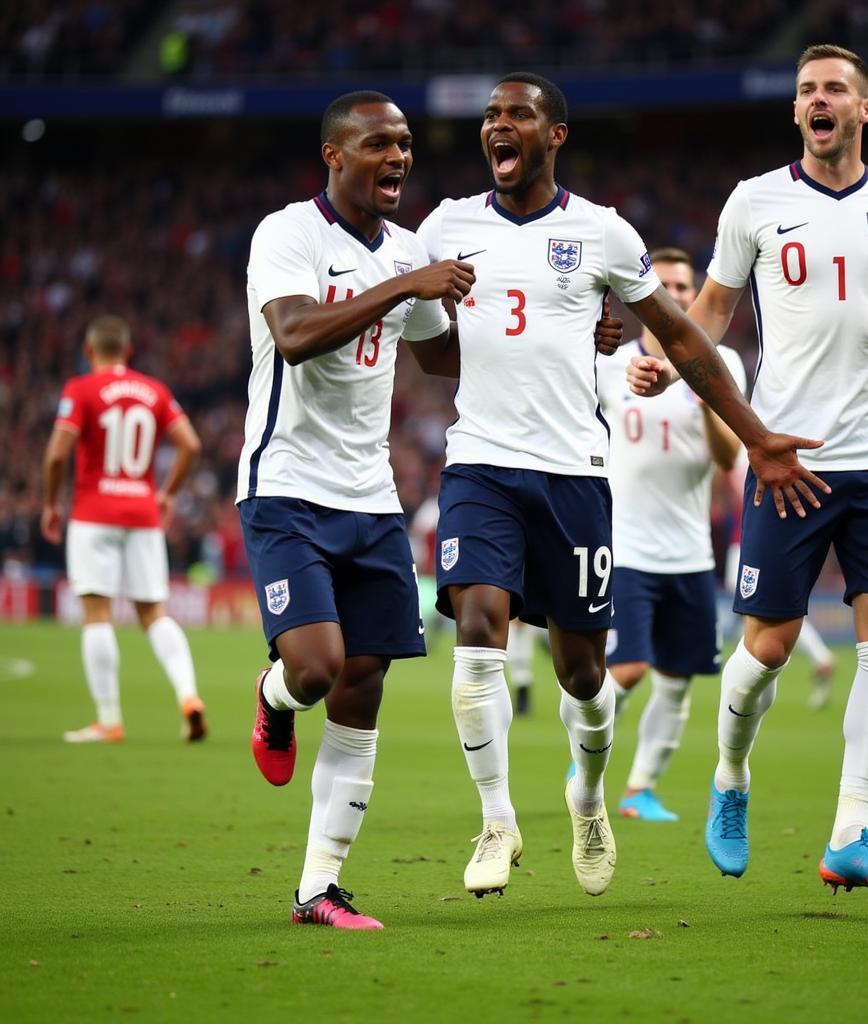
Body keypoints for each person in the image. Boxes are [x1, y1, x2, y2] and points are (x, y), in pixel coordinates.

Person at [414, 71, 827, 900]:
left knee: (582, 676)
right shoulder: (444, 227)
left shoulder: (602, 234)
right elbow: (431, 353)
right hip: (481, 466)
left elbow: (680, 337)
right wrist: (446, 315)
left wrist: (757, 439)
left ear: (555, 134)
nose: (499, 125)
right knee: (478, 629)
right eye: (491, 115)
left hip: (573, 478)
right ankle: (496, 820)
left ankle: (589, 797)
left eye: (518, 114)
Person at [239, 89, 624, 929]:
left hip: (372, 498)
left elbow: (446, 353)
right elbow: (298, 337)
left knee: (361, 688)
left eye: (407, 144)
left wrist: (567, 336)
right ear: (335, 155)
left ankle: (318, 889)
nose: (400, 158)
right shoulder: (288, 234)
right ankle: (271, 701)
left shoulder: (409, 248)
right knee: (312, 670)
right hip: (288, 489)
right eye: (380, 144)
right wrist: (407, 281)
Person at [628, 44, 868, 899]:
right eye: (808, 90)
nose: (820, 100)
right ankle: (730, 776)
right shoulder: (755, 201)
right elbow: (710, 309)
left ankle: (852, 833)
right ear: (796, 112)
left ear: (865, 110)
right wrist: (668, 363)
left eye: (836, 90)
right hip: (786, 457)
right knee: (770, 646)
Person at [594, 247, 745, 822]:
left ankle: (639, 789)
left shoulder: (722, 359)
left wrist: (705, 390)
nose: (678, 296)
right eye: (666, 286)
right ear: (643, 295)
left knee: (678, 679)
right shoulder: (611, 365)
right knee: (628, 668)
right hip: (625, 544)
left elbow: (727, 452)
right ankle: (586, 753)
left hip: (688, 550)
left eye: (686, 287)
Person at [40, 314, 207, 743]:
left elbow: (57, 455)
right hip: (142, 513)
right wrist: (167, 493)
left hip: (94, 512)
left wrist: (50, 504)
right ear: (128, 351)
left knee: (97, 613)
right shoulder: (154, 390)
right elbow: (190, 443)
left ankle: (109, 720)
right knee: (154, 613)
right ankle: (188, 696)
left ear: (89, 351)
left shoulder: (81, 389)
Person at [723, 447, 837, 711]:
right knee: (756, 609)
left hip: (748, 540)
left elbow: (731, 494)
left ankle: (819, 657)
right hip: (757, 536)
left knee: (759, 607)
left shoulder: (747, 452)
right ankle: (815, 657)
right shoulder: (766, 447)